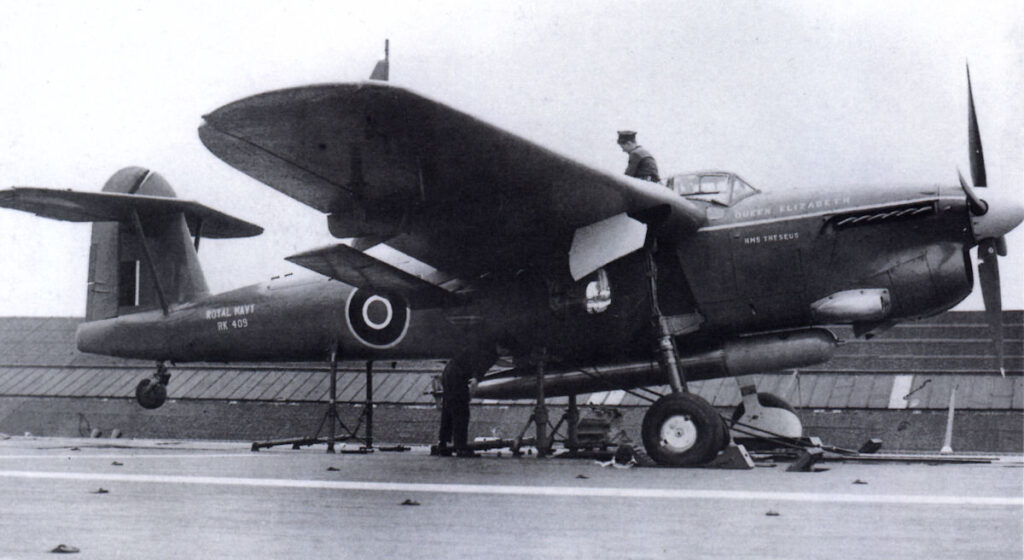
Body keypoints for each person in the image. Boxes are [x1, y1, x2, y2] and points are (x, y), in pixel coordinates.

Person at [436, 347, 497, 458]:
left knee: (448, 409)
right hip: (457, 377)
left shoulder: (483, 349)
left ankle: (443, 444)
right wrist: (469, 398)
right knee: (461, 413)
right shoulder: (488, 358)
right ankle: (461, 448)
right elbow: (474, 382)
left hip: (447, 372)